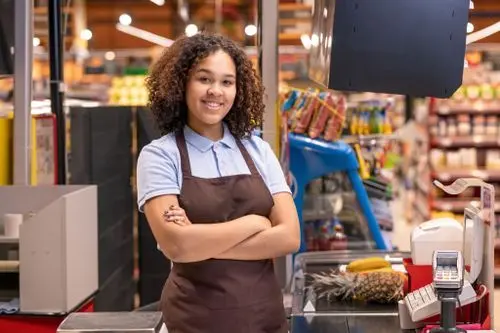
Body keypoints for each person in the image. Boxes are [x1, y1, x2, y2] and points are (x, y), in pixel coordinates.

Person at [136, 31, 300, 333]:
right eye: (204, 79)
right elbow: (177, 244)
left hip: (264, 319)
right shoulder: (160, 155)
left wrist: (198, 243)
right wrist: (255, 223)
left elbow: (289, 237)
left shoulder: (257, 149)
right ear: (181, 83)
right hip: (193, 321)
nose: (216, 91)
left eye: (227, 82)